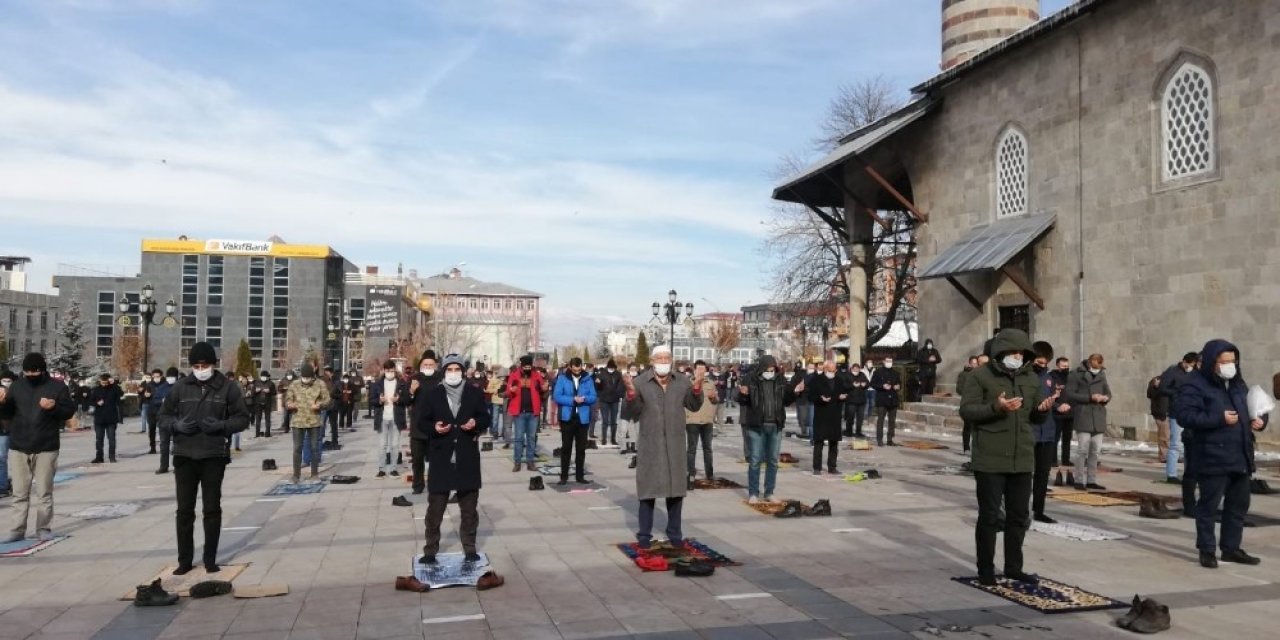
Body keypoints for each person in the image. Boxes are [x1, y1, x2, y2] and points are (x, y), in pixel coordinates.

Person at [958, 329, 1050, 586]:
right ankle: (985, 569)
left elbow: (1035, 414)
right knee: (989, 516)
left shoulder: (1031, 379)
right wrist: (996, 407)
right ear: (1000, 353)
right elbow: (967, 411)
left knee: (1019, 516)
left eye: (1022, 353)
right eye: (1013, 353)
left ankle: (1014, 567)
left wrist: (1044, 409)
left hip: (1021, 457)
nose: (1018, 357)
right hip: (990, 457)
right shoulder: (979, 376)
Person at [156, 342, 250, 574]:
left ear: (213, 364)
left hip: (213, 455)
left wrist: (222, 426)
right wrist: (175, 425)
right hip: (184, 455)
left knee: (212, 509)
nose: (200, 369)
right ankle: (184, 561)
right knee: (184, 510)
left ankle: (210, 559)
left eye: (204, 365)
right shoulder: (180, 387)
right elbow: (163, 417)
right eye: (196, 365)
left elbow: (243, 418)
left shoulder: (228, 387)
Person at [1173, 339, 1267, 569]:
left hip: (1240, 455)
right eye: (1224, 362)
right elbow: (1184, 416)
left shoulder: (1237, 384)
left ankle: (1231, 548)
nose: (1229, 366)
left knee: (1238, 506)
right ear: (1212, 361)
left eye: (1232, 361)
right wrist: (1218, 419)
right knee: (1208, 506)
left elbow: (1254, 408)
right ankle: (1207, 549)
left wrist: (1259, 420)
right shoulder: (1194, 384)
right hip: (1212, 455)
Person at [621, 345, 703, 548]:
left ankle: (675, 534)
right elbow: (633, 411)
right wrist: (631, 393)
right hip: (651, 443)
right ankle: (644, 535)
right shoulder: (640, 382)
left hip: (675, 443)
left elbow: (694, 405)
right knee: (648, 492)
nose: (664, 362)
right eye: (660, 358)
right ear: (652, 360)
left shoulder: (682, 381)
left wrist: (697, 388)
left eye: (667, 358)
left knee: (676, 491)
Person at [415, 354, 490, 565]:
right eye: (450, 369)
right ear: (444, 371)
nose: (454, 373)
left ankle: (470, 547)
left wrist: (475, 423)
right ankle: (430, 549)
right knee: (435, 508)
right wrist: (435, 428)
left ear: (463, 371)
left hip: (467, 457)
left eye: (457, 369)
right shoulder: (433, 394)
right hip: (441, 456)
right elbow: (422, 422)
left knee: (469, 509)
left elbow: (485, 417)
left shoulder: (474, 393)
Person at [0, 354, 75, 542]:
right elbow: (7, 414)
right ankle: (17, 529)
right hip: (19, 446)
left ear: (42, 370)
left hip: (46, 446)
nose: (31, 374)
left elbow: (68, 411)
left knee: (44, 491)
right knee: (19, 492)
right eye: (27, 371)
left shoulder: (57, 387)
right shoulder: (17, 387)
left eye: (35, 371)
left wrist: (53, 407)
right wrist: (2, 403)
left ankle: (43, 528)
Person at [739, 354, 800, 503]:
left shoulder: (780, 380)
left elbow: (786, 400)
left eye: (773, 369)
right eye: (768, 369)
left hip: (775, 425)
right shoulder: (751, 380)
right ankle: (753, 492)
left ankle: (769, 492)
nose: (770, 372)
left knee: (773, 460)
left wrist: (796, 392)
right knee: (755, 460)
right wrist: (743, 394)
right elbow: (742, 400)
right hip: (757, 426)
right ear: (761, 368)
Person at [1066, 354, 1111, 491]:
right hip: (1084, 414)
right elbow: (1070, 394)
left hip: (1098, 415)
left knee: (1095, 452)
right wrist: (1089, 397)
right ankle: (1079, 480)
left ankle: (1091, 480)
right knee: (1082, 450)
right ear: (1090, 362)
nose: (1098, 367)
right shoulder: (1076, 374)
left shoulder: (1102, 375)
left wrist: (1105, 398)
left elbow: (1109, 393)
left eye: (1100, 364)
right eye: (1096, 364)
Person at [1160, 352, 1201, 495]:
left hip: (1191, 412)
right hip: (1176, 412)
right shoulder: (1172, 372)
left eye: (1193, 365)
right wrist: (1177, 392)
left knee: (1190, 445)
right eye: (1189, 365)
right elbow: (1162, 388)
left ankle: (1190, 474)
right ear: (1184, 361)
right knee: (1175, 444)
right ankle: (1171, 474)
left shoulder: (1195, 373)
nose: (1190, 367)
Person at [553, 357, 597, 485]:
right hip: (567, 417)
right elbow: (557, 396)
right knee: (566, 448)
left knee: (581, 449)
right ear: (570, 367)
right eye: (574, 369)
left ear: (581, 367)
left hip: (582, 418)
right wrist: (572, 400)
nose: (577, 371)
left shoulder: (588, 379)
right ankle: (564, 476)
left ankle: (580, 476)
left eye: (579, 369)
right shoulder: (562, 378)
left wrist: (584, 399)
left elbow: (593, 396)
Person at [1031, 342, 1061, 524]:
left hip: (1047, 432)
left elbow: (1051, 400)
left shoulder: (1049, 379)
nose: (1042, 366)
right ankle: (1017, 510)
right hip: (1030, 431)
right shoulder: (1025, 377)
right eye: (1039, 362)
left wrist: (1057, 403)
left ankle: (1039, 510)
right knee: (1024, 475)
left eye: (1045, 363)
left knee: (1043, 474)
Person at [284, 363, 331, 483]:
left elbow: (327, 399)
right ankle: (296, 475)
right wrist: (289, 404)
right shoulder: (294, 384)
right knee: (297, 448)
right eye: (304, 378)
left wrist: (319, 405)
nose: (306, 380)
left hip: (314, 420)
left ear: (312, 376)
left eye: (308, 378)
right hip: (298, 421)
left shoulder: (320, 384)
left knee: (315, 448)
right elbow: (288, 399)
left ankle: (314, 474)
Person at [408, 351, 443, 494]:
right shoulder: (414, 378)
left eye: (431, 364)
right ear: (420, 365)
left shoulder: (442, 378)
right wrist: (411, 390)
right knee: (417, 459)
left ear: (435, 365)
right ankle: (418, 485)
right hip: (417, 426)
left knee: (436, 459)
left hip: (436, 425)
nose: (428, 367)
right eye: (425, 364)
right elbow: (404, 400)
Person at [505, 356, 547, 473]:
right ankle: (517, 462)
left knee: (531, 438)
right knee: (518, 438)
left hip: (533, 412)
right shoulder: (514, 374)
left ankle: (530, 462)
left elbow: (542, 389)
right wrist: (511, 390)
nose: (528, 368)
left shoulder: (536, 375)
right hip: (519, 412)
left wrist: (544, 388)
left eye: (530, 366)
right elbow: (508, 390)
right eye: (526, 366)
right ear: (522, 365)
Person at [808, 360, 848, 474]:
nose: (833, 372)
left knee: (834, 442)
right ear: (825, 369)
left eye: (835, 370)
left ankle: (832, 466)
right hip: (822, 414)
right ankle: (817, 467)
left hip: (835, 414)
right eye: (831, 370)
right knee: (819, 442)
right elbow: (811, 396)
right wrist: (821, 399)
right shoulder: (816, 380)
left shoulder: (839, 380)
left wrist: (843, 396)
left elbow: (845, 392)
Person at [371, 361, 409, 478]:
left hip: (396, 418)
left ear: (395, 370)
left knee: (394, 445)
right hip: (382, 418)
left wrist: (398, 400)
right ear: (384, 370)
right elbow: (371, 400)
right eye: (387, 371)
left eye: (391, 370)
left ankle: (393, 468)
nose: (390, 373)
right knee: (382, 445)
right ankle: (381, 469)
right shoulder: (377, 384)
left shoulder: (401, 384)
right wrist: (379, 401)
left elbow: (407, 400)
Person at [684, 360, 719, 486]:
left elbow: (716, 401)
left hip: (707, 421)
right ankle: (691, 474)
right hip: (692, 420)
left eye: (703, 369)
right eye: (698, 369)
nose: (701, 371)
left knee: (708, 448)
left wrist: (714, 397)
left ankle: (710, 473)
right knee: (692, 449)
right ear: (694, 370)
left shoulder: (710, 383)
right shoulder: (688, 383)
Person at [1049, 357, 1075, 486]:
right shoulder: (1051, 377)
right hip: (1056, 412)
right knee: (1055, 437)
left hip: (1069, 412)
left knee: (1067, 438)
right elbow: (1049, 394)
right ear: (1058, 365)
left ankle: (1066, 459)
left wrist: (1070, 405)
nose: (1065, 368)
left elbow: (1074, 393)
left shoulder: (1071, 377)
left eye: (1067, 365)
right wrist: (1058, 406)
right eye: (1063, 366)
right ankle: (1053, 460)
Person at [88, 374, 124, 463]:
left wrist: (114, 383)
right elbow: (91, 401)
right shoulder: (96, 390)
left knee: (111, 439)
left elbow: (121, 394)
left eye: (105, 382)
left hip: (111, 418)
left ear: (108, 381)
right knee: (99, 439)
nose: (104, 384)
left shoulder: (114, 388)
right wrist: (97, 403)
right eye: (102, 382)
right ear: (100, 381)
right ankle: (99, 457)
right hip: (99, 418)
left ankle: (112, 456)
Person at [871, 356, 902, 446]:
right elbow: (872, 384)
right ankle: (879, 439)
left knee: (892, 421)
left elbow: (899, 383)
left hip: (893, 399)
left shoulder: (896, 373)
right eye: (887, 361)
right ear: (884, 361)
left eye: (891, 361)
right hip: (882, 399)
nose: (889, 362)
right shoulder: (878, 372)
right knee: (881, 420)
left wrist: (898, 386)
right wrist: (882, 386)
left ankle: (890, 439)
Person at [596, 359, 625, 446]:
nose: (611, 369)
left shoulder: (618, 374)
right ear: (607, 367)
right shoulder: (602, 374)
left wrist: (620, 395)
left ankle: (613, 439)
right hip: (604, 400)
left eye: (612, 368)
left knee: (614, 421)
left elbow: (621, 386)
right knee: (605, 421)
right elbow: (598, 386)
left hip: (614, 400)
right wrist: (598, 384)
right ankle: (604, 439)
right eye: (610, 368)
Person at [956, 356, 979, 452]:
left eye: (976, 363)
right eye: (973, 363)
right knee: (968, 426)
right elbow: (959, 389)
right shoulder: (963, 374)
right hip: (968, 403)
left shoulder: (980, 374)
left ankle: (977, 447)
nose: (974, 365)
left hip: (979, 403)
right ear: (969, 364)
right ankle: (966, 447)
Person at [843, 362, 869, 438]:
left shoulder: (862, 375)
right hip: (851, 400)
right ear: (852, 369)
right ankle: (849, 431)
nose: (856, 370)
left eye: (857, 369)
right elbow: (844, 386)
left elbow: (868, 383)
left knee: (860, 418)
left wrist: (865, 385)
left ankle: (858, 432)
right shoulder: (847, 375)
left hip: (861, 400)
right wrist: (852, 385)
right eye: (855, 369)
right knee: (850, 417)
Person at [250, 371, 276, 438]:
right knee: (258, 419)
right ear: (260, 376)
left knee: (268, 418)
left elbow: (274, 392)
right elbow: (252, 394)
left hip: (267, 403)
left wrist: (269, 391)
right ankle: (257, 433)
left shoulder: (271, 383)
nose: (263, 378)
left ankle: (267, 433)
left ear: (267, 377)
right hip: (258, 403)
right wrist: (256, 391)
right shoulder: (256, 383)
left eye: (265, 376)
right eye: (262, 376)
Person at [0, 371, 13, 499]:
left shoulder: (13, 393)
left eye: (8, 380)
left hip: (5, 429)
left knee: (1, 457)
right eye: (4, 380)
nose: (6, 383)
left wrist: (4, 402)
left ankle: (3, 486)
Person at [485, 368, 506, 444]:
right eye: (501, 376)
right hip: (496, 401)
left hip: (505, 401)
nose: (503, 378)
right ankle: (495, 434)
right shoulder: (493, 379)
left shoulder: (507, 380)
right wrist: (496, 390)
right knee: (495, 418)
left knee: (505, 419)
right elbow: (488, 389)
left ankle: (504, 434)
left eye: (504, 376)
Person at [793, 362, 813, 439]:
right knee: (803, 416)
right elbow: (794, 387)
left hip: (810, 399)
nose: (812, 369)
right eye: (810, 368)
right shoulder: (800, 376)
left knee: (809, 417)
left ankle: (810, 432)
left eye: (813, 368)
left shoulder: (815, 376)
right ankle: (804, 431)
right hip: (802, 399)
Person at [139, 369, 161, 434]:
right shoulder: (143, 383)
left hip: (151, 403)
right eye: (146, 377)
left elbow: (156, 392)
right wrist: (140, 391)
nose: (148, 378)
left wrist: (150, 394)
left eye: (149, 377)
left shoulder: (153, 384)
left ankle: (154, 427)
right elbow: (139, 392)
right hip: (144, 402)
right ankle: (143, 429)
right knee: (143, 416)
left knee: (151, 417)